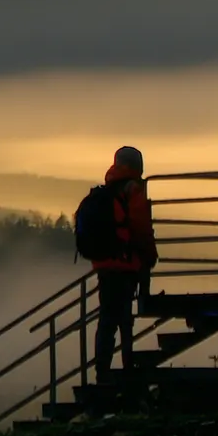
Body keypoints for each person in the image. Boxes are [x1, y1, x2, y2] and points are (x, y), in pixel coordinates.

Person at [92, 146, 159, 374]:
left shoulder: (105, 191)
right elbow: (141, 227)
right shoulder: (132, 190)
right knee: (124, 320)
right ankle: (128, 366)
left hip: (104, 265)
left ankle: (102, 370)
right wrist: (150, 255)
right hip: (126, 264)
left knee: (106, 319)